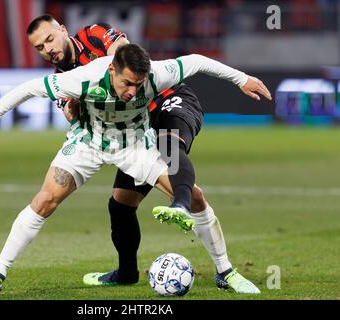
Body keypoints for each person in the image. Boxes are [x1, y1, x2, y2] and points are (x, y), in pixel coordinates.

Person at [25, 15, 272, 293]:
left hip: (168, 101)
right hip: (134, 129)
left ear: (62, 30)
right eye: (40, 47)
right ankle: (127, 273)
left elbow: (124, 55)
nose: (48, 49)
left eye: (49, 39)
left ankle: (223, 269)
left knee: (170, 149)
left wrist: (241, 78)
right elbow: (74, 117)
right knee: (121, 204)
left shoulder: (93, 34)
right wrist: (74, 107)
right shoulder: (63, 80)